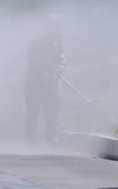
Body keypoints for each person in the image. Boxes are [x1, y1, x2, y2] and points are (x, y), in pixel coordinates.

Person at [24, 13, 66, 143]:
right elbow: (32, 60)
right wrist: (42, 70)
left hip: (52, 81)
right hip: (35, 81)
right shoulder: (35, 43)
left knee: (53, 110)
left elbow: (62, 60)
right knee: (33, 111)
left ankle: (51, 137)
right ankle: (29, 138)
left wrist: (59, 69)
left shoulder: (57, 43)